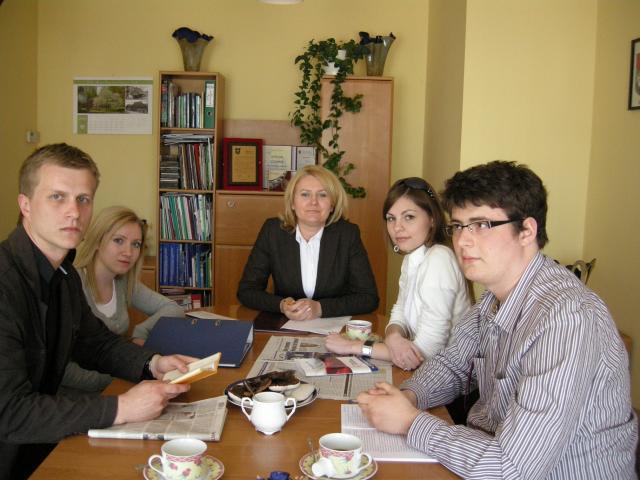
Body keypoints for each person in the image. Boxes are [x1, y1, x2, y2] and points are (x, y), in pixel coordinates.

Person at [357, 161, 637, 479]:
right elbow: (452, 365)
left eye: (481, 225)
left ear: (527, 231)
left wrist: (410, 421)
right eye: (458, 226)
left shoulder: (567, 318)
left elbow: (512, 468)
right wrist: (409, 396)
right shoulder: (494, 296)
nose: (462, 241)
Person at [0, 143, 195, 479]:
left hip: (39, 442)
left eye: (83, 199)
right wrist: (121, 407)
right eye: (57, 197)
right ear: (25, 205)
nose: (74, 212)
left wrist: (153, 363)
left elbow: (95, 343)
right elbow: (9, 412)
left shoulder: (63, 275)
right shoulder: (5, 282)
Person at [325, 177, 470, 369]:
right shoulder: (413, 258)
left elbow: (426, 352)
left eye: (409, 217)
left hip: (449, 379)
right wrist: (393, 338)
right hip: (425, 372)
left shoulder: (439, 259)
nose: (397, 227)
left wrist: (353, 347)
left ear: (432, 219)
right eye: (391, 218)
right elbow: (399, 312)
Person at [61, 206, 184, 393]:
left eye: (136, 244)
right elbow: (63, 369)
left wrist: (140, 332)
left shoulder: (123, 282)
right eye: (118, 241)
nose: (128, 252)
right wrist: (118, 382)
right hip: (82, 394)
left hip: (120, 381)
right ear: (97, 241)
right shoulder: (71, 284)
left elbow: (173, 308)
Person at [237, 165, 379, 320]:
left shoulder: (347, 234)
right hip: (286, 324)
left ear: (332, 204)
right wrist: (282, 305)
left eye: (322, 195)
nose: (313, 202)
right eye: (305, 194)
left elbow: (368, 298)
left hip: (332, 327)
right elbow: (247, 291)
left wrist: (320, 308)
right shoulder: (273, 231)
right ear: (292, 202)